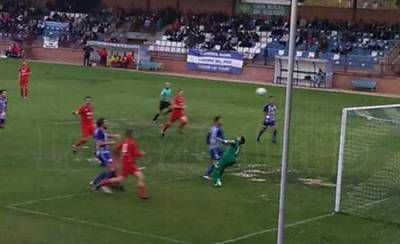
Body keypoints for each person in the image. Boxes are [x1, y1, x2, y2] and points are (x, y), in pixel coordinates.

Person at [95, 129, 148, 199]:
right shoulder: (132, 142)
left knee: (119, 178)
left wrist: (118, 156)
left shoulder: (124, 142)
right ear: (131, 135)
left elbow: (116, 148)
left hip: (124, 163)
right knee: (140, 176)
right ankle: (142, 194)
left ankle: (101, 183)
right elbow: (136, 153)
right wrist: (143, 154)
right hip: (130, 164)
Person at [90, 118, 120, 193]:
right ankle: (100, 184)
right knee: (111, 168)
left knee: (113, 168)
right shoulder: (99, 131)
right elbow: (100, 143)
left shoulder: (101, 130)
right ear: (102, 123)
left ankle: (114, 183)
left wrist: (114, 135)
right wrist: (111, 142)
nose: (106, 123)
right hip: (102, 152)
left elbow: (105, 136)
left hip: (105, 152)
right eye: (105, 122)